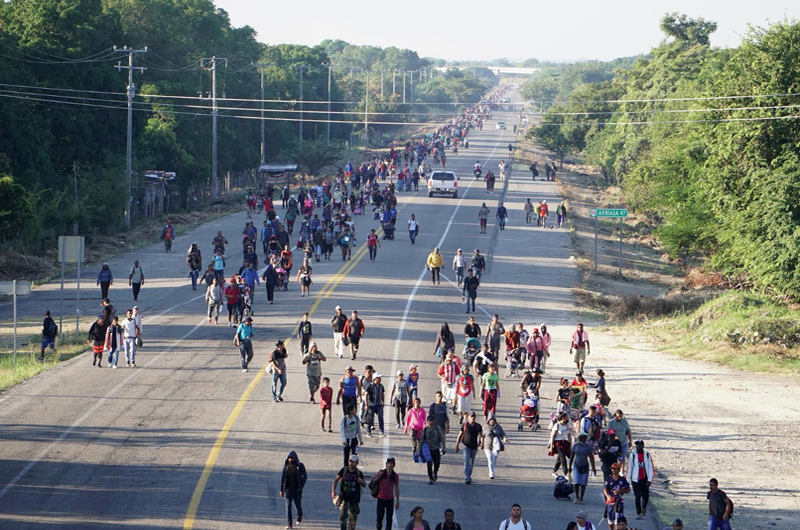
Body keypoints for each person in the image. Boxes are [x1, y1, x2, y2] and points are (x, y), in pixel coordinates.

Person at [332, 453, 365, 530]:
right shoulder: (344, 470)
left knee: (352, 520)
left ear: (356, 463)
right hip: (344, 498)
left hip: (354, 500)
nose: (351, 463)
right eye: (350, 461)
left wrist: (361, 481)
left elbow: (364, 485)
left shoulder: (358, 473)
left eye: (353, 462)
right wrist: (333, 492)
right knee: (342, 518)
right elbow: (335, 480)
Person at [626, 439, 654, 519]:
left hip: (644, 479)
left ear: (643, 446)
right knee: (637, 496)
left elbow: (650, 468)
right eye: (637, 445)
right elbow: (630, 468)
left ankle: (644, 507)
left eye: (640, 445)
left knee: (645, 496)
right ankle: (638, 512)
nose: (638, 447)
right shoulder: (633, 455)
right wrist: (627, 480)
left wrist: (649, 480)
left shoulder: (647, 455)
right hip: (635, 479)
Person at [280, 450, 307, 529]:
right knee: (288, 506)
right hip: (288, 490)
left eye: (292, 458)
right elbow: (283, 478)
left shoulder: (300, 466)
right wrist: (281, 490)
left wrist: (301, 486)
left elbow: (305, 476)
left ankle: (300, 516)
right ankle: (290, 524)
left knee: (298, 506)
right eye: (289, 458)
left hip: (297, 491)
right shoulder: (286, 467)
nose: (290, 460)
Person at [455, 411, 483, 484]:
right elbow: (460, 435)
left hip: (474, 447)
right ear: (468, 418)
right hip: (466, 446)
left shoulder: (478, 426)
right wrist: (457, 445)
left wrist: (482, 443)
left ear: (475, 418)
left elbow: (481, 435)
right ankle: (467, 477)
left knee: (471, 463)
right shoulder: (465, 425)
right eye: (471, 417)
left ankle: (469, 475)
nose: (472, 418)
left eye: (473, 417)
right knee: (466, 462)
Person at [372, 457, 401, 530]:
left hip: (390, 500)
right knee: (379, 518)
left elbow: (396, 488)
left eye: (392, 463)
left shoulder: (395, 476)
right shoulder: (381, 473)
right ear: (386, 464)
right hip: (381, 498)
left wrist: (397, 501)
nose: (390, 465)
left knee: (389, 520)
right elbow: (373, 482)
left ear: (394, 465)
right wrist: (379, 477)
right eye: (389, 463)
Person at [570, 432, 597, 504]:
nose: (584, 439)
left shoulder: (588, 447)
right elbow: (572, 456)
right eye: (582, 438)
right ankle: (577, 497)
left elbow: (591, 457)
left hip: (585, 466)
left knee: (583, 483)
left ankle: (581, 498)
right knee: (576, 483)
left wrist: (593, 468)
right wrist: (569, 467)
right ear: (580, 438)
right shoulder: (575, 446)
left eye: (585, 438)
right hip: (576, 465)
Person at [603, 463, 630, 530]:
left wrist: (620, 491)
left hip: (619, 501)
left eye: (615, 469)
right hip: (611, 500)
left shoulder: (622, 479)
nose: (613, 470)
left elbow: (628, 489)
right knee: (610, 519)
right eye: (612, 468)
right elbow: (605, 489)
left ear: (618, 470)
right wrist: (608, 496)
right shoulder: (608, 479)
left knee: (618, 518)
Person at [484, 414, 508, 480]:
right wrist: (479, 442)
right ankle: (491, 473)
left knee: (493, 460)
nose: (492, 421)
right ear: (488, 420)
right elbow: (481, 436)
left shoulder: (498, 427)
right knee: (490, 459)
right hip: (487, 446)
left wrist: (505, 439)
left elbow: (502, 434)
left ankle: (492, 470)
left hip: (496, 446)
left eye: (493, 420)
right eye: (491, 420)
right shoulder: (485, 427)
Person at [549, 412, 574, 477]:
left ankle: (554, 471)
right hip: (558, 443)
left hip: (566, 443)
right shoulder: (557, 425)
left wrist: (571, 444)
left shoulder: (568, 425)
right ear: (563, 418)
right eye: (566, 417)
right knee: (563, 458)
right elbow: (553, 436)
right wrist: (551, 446)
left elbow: (569, 435)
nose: (568, 418)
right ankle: (566, 473)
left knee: (561, 458)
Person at [365, 373, 386, 437]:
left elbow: (382, 394)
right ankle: (368, 432)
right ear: (375, 378)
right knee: (370, 419)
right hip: (371, 405)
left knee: (380, 418)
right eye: (378, 378)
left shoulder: (381, 386)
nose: (380, 379)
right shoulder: (370, 385)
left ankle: (381, 432)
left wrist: (383, 402)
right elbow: (366, 394)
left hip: (379, 404)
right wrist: (366, 404)